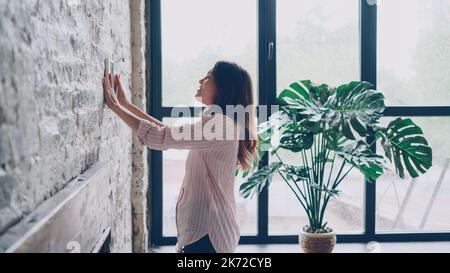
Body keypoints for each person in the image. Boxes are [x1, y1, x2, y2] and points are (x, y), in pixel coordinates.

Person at [102, 61, 258, 253]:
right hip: (208, 233)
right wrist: (125, 105)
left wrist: (116, 107)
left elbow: (162, 137)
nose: (201, 80)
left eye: (208, 77)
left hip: (209, 236)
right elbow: (166, 132)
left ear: (223, 88)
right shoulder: (220, 123)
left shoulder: (221, 126)